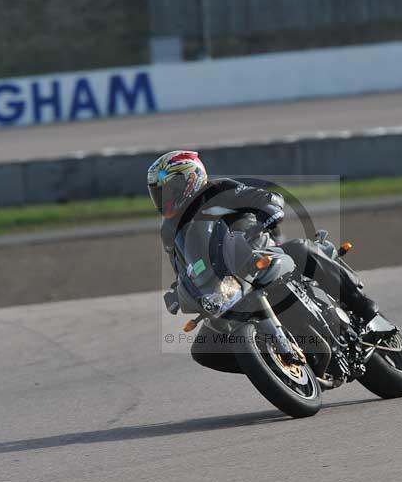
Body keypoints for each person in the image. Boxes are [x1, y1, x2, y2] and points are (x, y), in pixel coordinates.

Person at [148, 150, 379, 369]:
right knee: (204, 350)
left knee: (300, 248)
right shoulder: (170, 229)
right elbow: (181, 264)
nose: (163, 198)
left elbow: (264, 197)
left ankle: (360, 305)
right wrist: (178, 291)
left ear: (191, 179)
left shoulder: (218, 191)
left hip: (261, 251)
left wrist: (270, 211)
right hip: (227, 282)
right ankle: (270, 362)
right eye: (158, 193)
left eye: (169, 189)